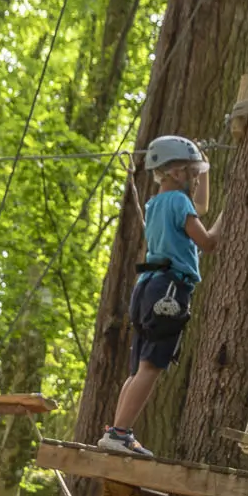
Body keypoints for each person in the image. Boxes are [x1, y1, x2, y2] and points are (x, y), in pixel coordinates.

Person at [96, 136, 225, 458]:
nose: (197, 179)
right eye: (193, 173)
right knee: (151, 367)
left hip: (147, 288)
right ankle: (120, 433)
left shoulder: (158, 203)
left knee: (139, 369)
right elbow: (208, 242)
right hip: (169, 289)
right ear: (177, 173)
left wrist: (206, 170)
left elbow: (199, 209)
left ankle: (116, 432)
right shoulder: (179, 202)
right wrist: (232, 210)